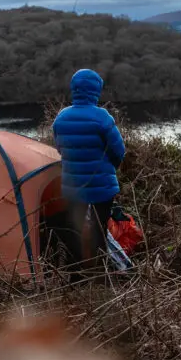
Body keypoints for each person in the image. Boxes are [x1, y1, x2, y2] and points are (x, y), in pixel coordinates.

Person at [51, 69, 126, 279]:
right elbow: (119, 151)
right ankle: (98, 273)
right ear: (96, 90)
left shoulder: (62, 118)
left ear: (74, 89)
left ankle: (75, 275)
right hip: (102, 184)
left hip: (73, 185)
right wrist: (111, 167)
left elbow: (59, 148)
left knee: (74, 228)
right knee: (99, 229)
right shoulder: (102, 117)